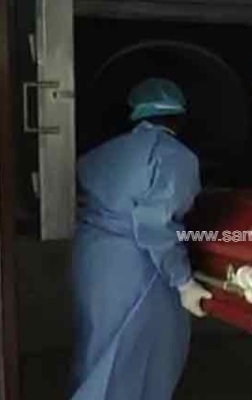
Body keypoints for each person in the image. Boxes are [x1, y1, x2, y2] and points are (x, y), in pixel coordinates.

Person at [70, 78, 212, 399]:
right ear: (179, 117)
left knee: (97, 352)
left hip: (93, 260)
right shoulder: (174, 156)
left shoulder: (102, 154)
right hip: (136, 266)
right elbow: (155, 225)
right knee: (141, 357)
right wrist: (183, 282)